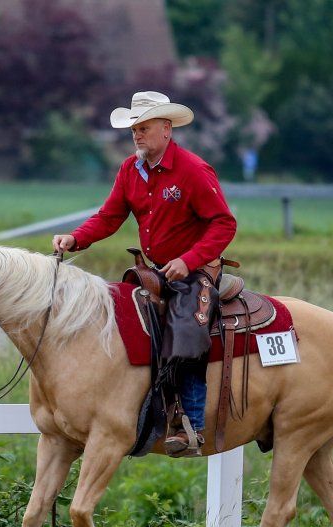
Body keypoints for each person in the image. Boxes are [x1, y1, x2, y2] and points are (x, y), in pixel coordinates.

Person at [53, 91, 237, 456]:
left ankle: (192, 424)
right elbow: (109, 217)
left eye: (144, 127)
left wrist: (189, 259)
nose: (137, 134)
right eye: (133, 128)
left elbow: (223, 224)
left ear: (167, 129)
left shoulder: (193, 170)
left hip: (194, 271)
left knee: (186, 329)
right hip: (155, 271)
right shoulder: (129, 170)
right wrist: (75, 238)